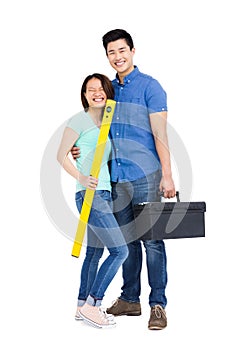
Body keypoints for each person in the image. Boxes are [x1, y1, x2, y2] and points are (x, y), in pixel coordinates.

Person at [72, 29, 176, 330]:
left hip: (146, 176)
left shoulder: (150, 88)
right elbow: (94, 129)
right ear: (106, 56)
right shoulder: (107, 90)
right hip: (114, 180)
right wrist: (78, 147)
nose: (117, 57)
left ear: (132, 51)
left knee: (153, 242)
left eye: (122, 51)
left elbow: (161, 134)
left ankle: (158, 304)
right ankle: (130, 298)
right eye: (111, 53)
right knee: (126, 242)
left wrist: (167, 175)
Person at [57, 73, 128, 329]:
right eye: (91, 89)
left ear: (107, 92)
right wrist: (81, 177)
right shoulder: (79, 119)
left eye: (101, 88)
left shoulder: (104, 124)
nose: (96, 92)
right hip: (91, 194)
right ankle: (93, 304)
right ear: (84, 95)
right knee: (121, 251)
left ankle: (80, 308)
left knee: (95, 253)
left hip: (105, 194)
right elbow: (60, 154)